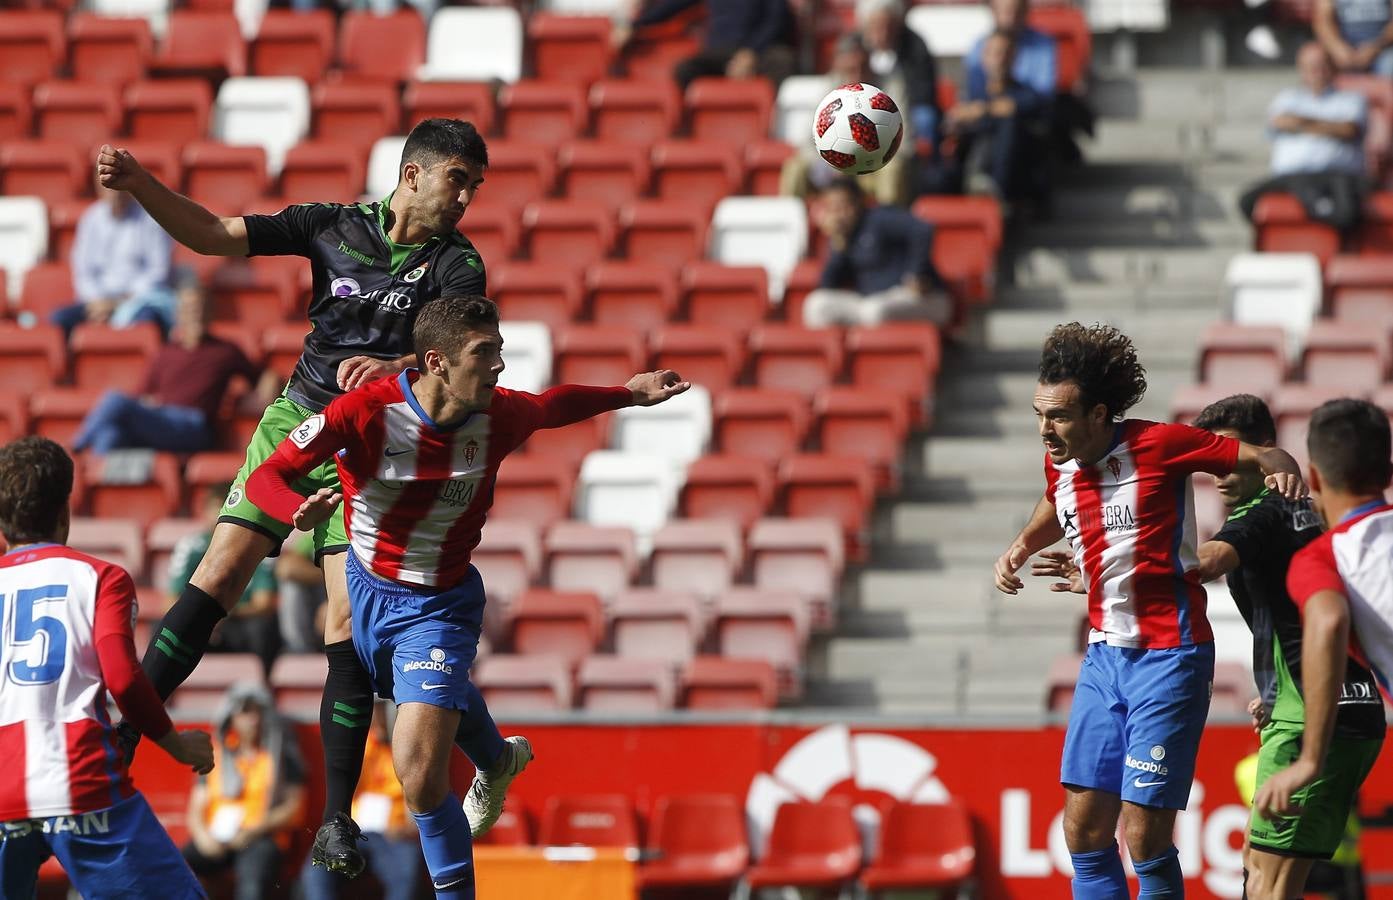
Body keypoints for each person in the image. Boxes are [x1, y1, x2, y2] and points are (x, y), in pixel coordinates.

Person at [95, 116, 493, 878]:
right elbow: (213, 234)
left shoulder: (458, 266)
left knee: (342, 622)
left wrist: (396, 365)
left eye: (474, 185)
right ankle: (122, 739)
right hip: (298, 420)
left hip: (376, 446)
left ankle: (336, 819)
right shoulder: (331, 226)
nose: (467, 197)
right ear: (414, 174)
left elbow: (462, 353)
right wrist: (143, 184)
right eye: (458, 180)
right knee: (218, 573)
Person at [245, 295, 689, 900]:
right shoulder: (366, 413)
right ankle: (497, 760)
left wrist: (627, 394)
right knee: (423, 704)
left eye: (500, 351)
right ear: (437, 362)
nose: (499, 366)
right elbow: (268, 475)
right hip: (367, 590)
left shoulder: (498, 415)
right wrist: (292, 513)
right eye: (485, 353)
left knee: (420, 777)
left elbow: (554, 405)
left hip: (439, 606)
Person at [992, 323, 1306, 900]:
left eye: (1058, 416)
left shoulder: (1159, 444)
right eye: (1039, 415)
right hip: (1104, 655)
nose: (1045, 429)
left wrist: (1282, 465)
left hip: (1171, 658)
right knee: (1083, 831)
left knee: (1144, 836)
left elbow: (1260, 452)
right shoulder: (1058, 461)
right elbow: (1052, 498)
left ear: (1099, 413)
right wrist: (1022, 543)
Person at [1035, 393, 1384, 900]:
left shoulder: (1264, 513)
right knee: (1263, 871)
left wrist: (1110, 572)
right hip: (1328, 706)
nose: (1217, 471)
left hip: (1315, 718)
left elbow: (1210, 562)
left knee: (1267, 883)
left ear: (1261, 452)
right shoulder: (1305, 518)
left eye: (1229, 456)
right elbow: (1305, 615)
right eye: (1209, 459)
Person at [0, 436, 213, 899]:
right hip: (77, 782)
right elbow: (121, 677)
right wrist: (176, 744)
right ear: (64, 511)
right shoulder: (100, 577)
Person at [1256, 400, 1393, 828]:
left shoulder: (1325, 557)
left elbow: (1329, 621)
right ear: (1389, 474)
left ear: (1313, 477)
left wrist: (1310, 759)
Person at [72, 278, 278, 455]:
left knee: (115, 400)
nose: (195, 314)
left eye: (201, 308)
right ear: (178, 315)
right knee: (112, 435)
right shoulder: (165, 352)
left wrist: (261, 397)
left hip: (195, 427)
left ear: (210, 313)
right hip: (164, 421)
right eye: (189, 309)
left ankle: (73, 450)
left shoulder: (225, 350)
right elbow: (143, 396)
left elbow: (265, 376)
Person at [183, 683, 307, 900]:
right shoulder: (216, 756)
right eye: (245, 712)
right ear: (231, 718)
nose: (253, 719)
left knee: (252, 883)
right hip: (217, 836)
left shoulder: (282, 755)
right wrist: (203, 838)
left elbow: (294, 809)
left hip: (260, 836)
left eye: (258, 711)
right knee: (176, 867)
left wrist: (253, 830)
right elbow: (196, 807)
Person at [1239, 42, 1369, 234]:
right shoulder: (1287, 98)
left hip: (1336, 176)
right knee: (1247, 201)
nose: (1317, 72)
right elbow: (1281, 122)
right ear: (1301, 69)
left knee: (1345, 212)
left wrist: (1301, 122)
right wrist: (1327, 126)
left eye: (1322, 65)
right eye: (1311, 67)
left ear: (1332, 67)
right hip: (1290, 177)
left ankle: (1329, 240)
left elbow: (1348, 130)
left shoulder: (1351, 100)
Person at [300, 702, 424, 900]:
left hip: (393, 833)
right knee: (316, 872)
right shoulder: (360, 746)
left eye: (384, 710)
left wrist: (410, 828)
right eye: (374, 709)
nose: (378, 715)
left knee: (405, 874)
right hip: (352, 829)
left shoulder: (412, 749)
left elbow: (425, 797)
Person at [780, 33, 913, 206]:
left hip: (874, 168)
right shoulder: (831, 89)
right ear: (839, 66)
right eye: (851, 69)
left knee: (893, 170)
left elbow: (905, 141)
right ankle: (793, 227)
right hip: (834, 168)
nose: (857, 74)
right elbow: (807, 141)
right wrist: (834, 162)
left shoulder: (889, 86)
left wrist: (871, 160)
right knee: (795, 168)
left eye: (863, 67)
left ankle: (887, 226)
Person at [802, 177, 948, 328]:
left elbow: (922, 229)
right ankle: (837, 351)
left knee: (874, 310)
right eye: (833, 208)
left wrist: (916, 273)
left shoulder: (879, 218)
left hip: (922, 297)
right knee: (816, 305)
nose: (840, 214)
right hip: (870, 302)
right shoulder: (842, 236)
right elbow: (828, 285)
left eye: (844, 205)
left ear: (858, 202)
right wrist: (838, 242)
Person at [169, 485, 281, 675]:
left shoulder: (262, 547)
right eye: (216, 506)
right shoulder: (190, 546)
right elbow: (170, 600)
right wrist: (203, 619)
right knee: (165, 628)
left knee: (263, 628)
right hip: (200, 621)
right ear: (204, 511)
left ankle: (264, 683)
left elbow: (264, 603)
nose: (222, 512)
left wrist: (220, 615)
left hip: (239, 622)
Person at [52, 176, 176, 340]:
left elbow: (158, 271)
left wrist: (121, 302)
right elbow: (83, 271)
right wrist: (98, 301)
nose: (115, 194)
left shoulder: (150, 219)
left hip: (137, 301)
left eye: (118, 188)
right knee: (58, 320)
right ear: (99, 188)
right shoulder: (91, 219)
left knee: (147, 322)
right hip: (97, 302)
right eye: (109, 188)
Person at [948, 30, 1052, 211]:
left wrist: (982, 110)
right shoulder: (972, 92)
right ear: (983, 57)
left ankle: (996, 191)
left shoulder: (1025, 93)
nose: (1000, 60)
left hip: (1014, 175)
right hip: (972, 158)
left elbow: (1014, 108)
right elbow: (955, 118)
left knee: (1008, 123)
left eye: (1005, 53)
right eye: (994, 53)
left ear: (1014, 58)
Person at [613, 0, 796, 92]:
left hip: (757, 51)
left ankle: (770, 124)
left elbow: (777, 20)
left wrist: (751, 53)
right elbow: (671, 6)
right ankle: (688, 130)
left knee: (782, 60)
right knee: (684, 69)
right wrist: (634, 25)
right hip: (718, 54)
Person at [857, 0, 941, 157]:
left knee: (925, 118)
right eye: (876, 27)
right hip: (862, 105)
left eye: (888, 26)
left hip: (907, 104)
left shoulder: (915, 46)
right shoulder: (856, 46)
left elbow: (923, 89)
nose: (883, 33)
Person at [1314, 0, 1393, 76]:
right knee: (1314, 58)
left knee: (1389, 64)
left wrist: (1376, 47)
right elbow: (1323, 20)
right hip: (1342, 50)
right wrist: (1337, 48)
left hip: (1381, 49)